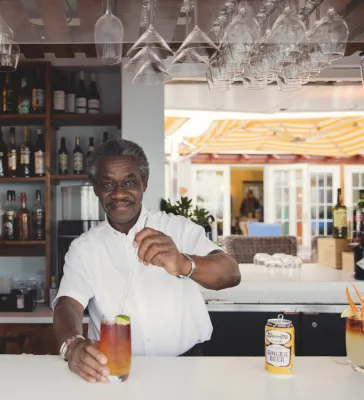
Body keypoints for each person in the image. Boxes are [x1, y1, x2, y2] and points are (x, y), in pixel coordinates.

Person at [53, 138, 241, 383]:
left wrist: (183, 263)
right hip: (115, 371)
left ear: (144, 183)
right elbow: (67, 305)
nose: (119, 193)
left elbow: (231, 273)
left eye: (129, 182)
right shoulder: (84, 247)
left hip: (188, 369)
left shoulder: (178, 229)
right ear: (97, 188)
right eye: (108, 184)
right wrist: (72, 344)